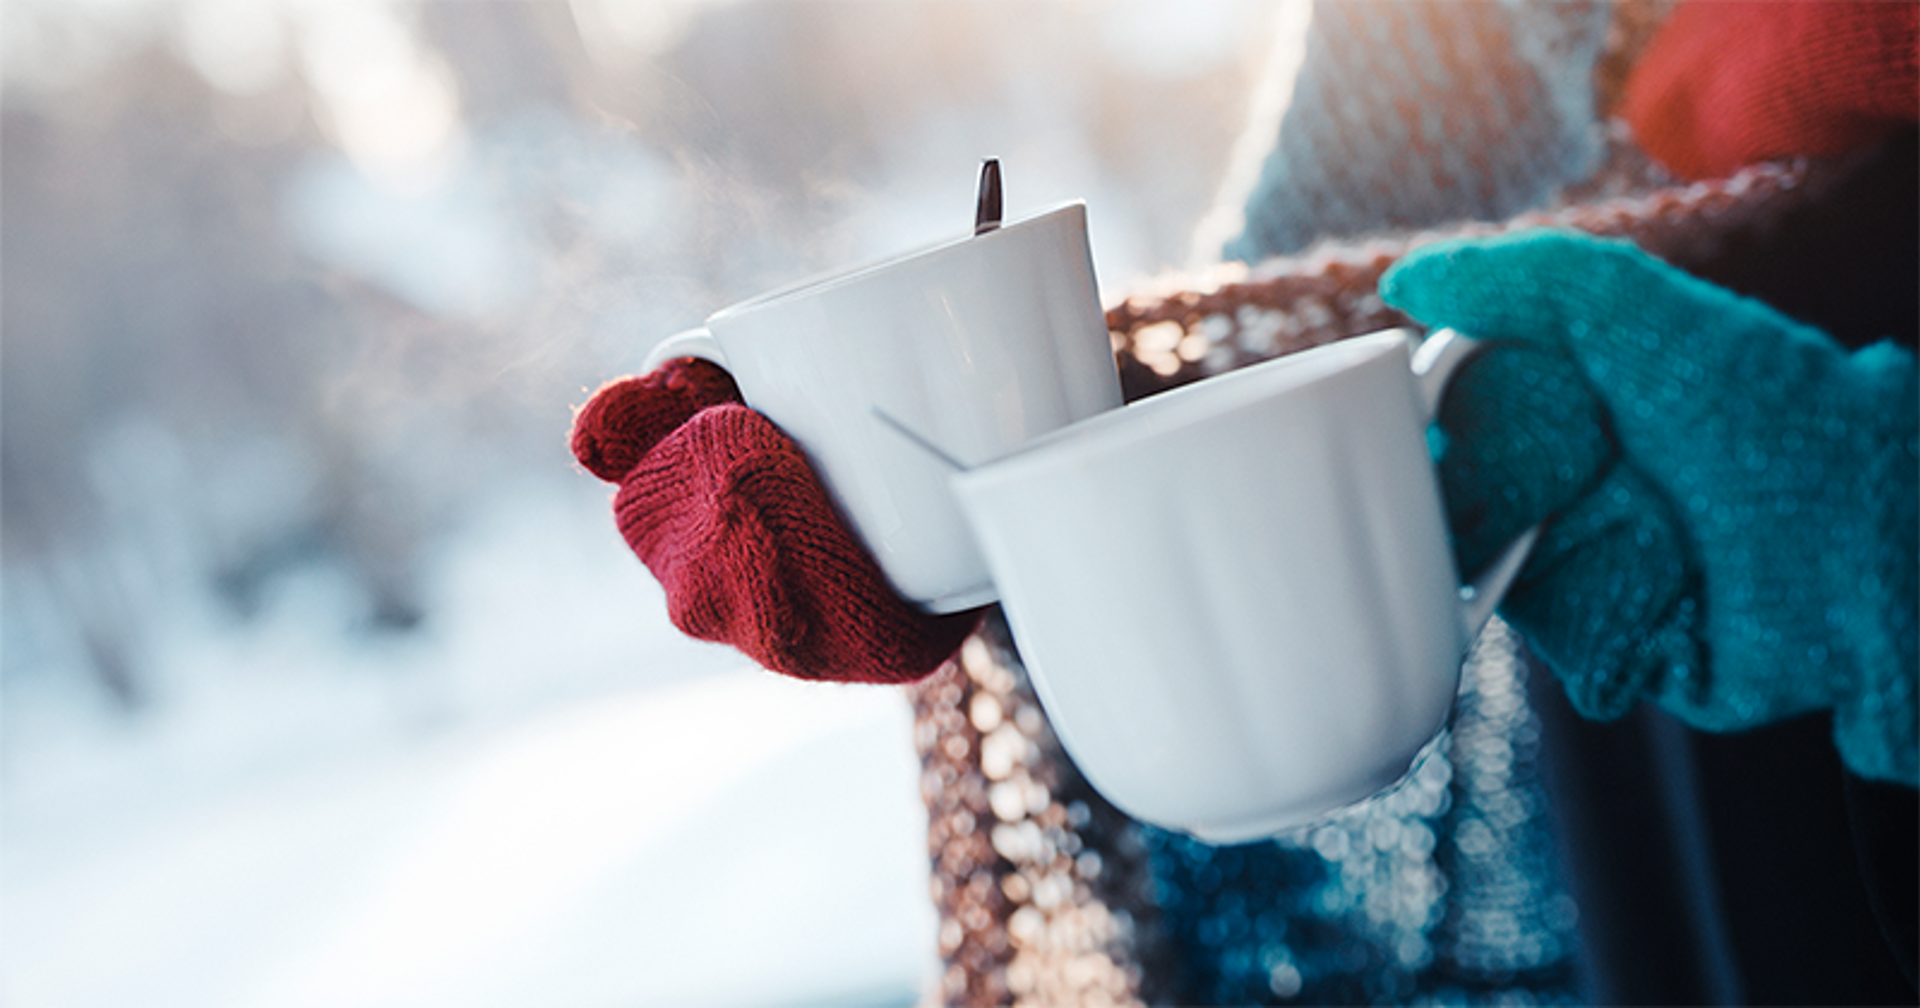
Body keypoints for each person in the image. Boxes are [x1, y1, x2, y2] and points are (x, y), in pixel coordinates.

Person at [570, 0, 1920, 998]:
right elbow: (1303, 326)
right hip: (1674, 621)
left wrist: (1888, 509)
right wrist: (994, 469)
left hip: (1769, 529)